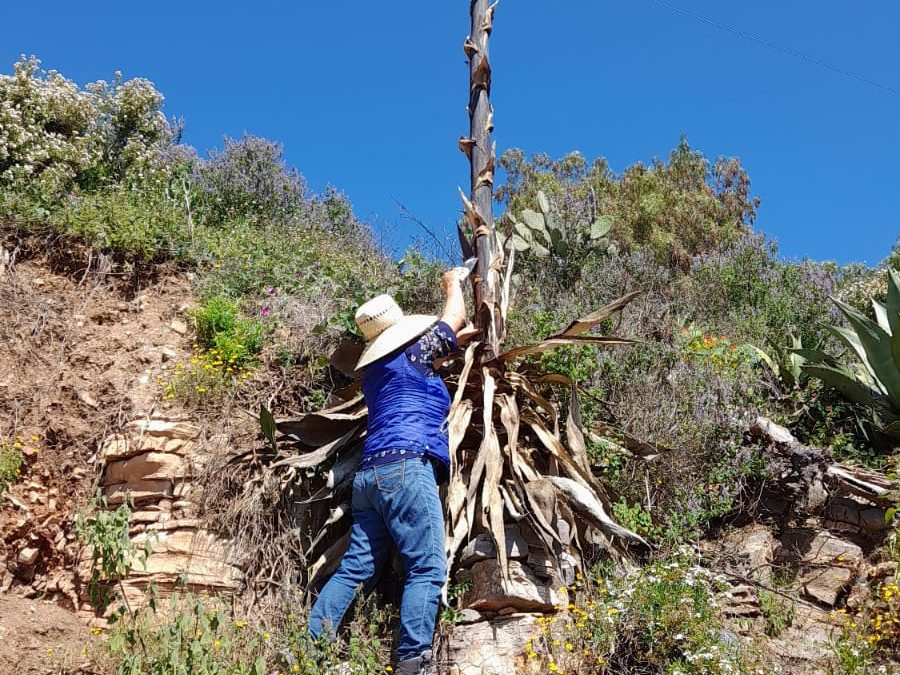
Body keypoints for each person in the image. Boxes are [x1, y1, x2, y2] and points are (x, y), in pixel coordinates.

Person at [309, 268, 477, 675]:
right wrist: (452, 283)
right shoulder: (415, 351)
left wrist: (454, 345)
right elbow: (452, 318)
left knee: (356, 568)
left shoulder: (376, 369)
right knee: (426, 566)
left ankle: (311, 651)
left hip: (369, 477)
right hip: (407, 469)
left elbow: (428, 356)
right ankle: (412, 662)